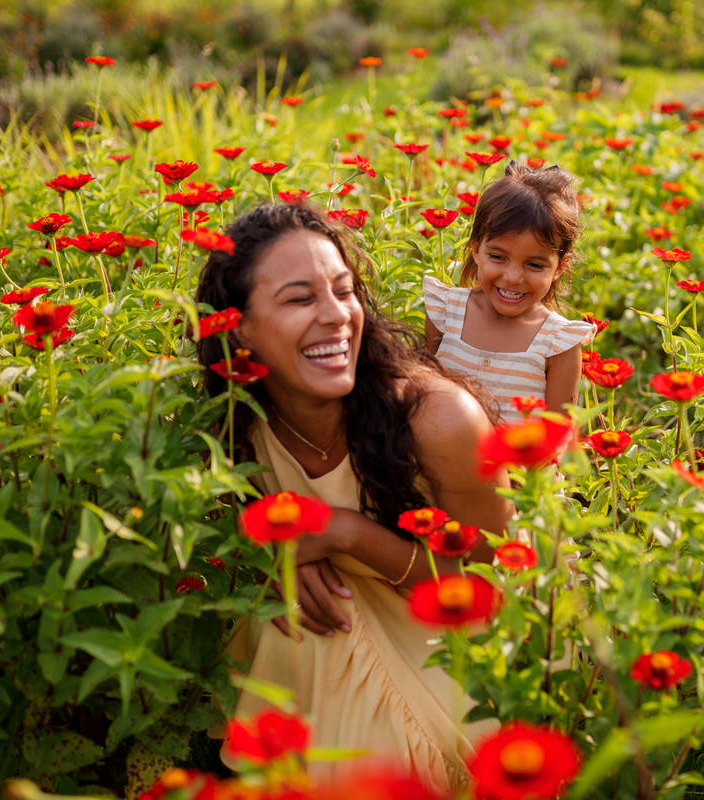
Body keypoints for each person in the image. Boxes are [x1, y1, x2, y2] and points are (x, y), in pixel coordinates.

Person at [195, 203, 514, 792]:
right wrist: (277, 554)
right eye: (299, 299)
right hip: (323, 626)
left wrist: (344, 534)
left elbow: (491, 592)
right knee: (290, 617)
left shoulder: (438, 418)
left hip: (457, 645)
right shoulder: (233, 418)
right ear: (237, 326)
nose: (336, 317)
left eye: (343, 292)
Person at [423, 161, 596, 421]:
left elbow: (560, 436)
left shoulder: (558, 343)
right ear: (476, 249)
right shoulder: (446, 312)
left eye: (534, 264)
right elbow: (419, 400)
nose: (513, 277)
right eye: (498, 257)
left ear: (560, 267)